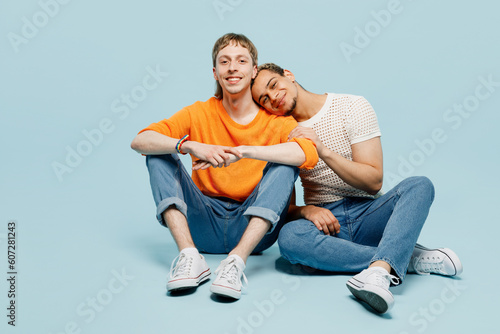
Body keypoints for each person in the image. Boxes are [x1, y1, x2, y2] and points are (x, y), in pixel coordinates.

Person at [250, 63, 463, 313]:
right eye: (264, 99)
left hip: (370, 214)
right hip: (327, 224)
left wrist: (322, 151)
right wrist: (308, 211)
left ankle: (383, 265)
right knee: (289, 239)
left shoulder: (351, 106)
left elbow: (374, 182)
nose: (273, 97)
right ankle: (398, 259)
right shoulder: (281, 131)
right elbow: (286, 208)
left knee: (419, 186)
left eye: (273, 85)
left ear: (289, 75)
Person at [130, 35, 318, 300]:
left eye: (241, 61)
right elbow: (140, 140)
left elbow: (306, 153)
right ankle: (189, 257)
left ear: (253, 71)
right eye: (225, 61)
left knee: (285, 164)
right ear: (215, 72)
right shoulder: (199, 112)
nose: (232, 67)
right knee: (159, 152)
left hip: (254, 229)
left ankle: (235, 263)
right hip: (202, 223)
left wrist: (244, 152)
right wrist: (189, 146)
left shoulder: (277, 122)